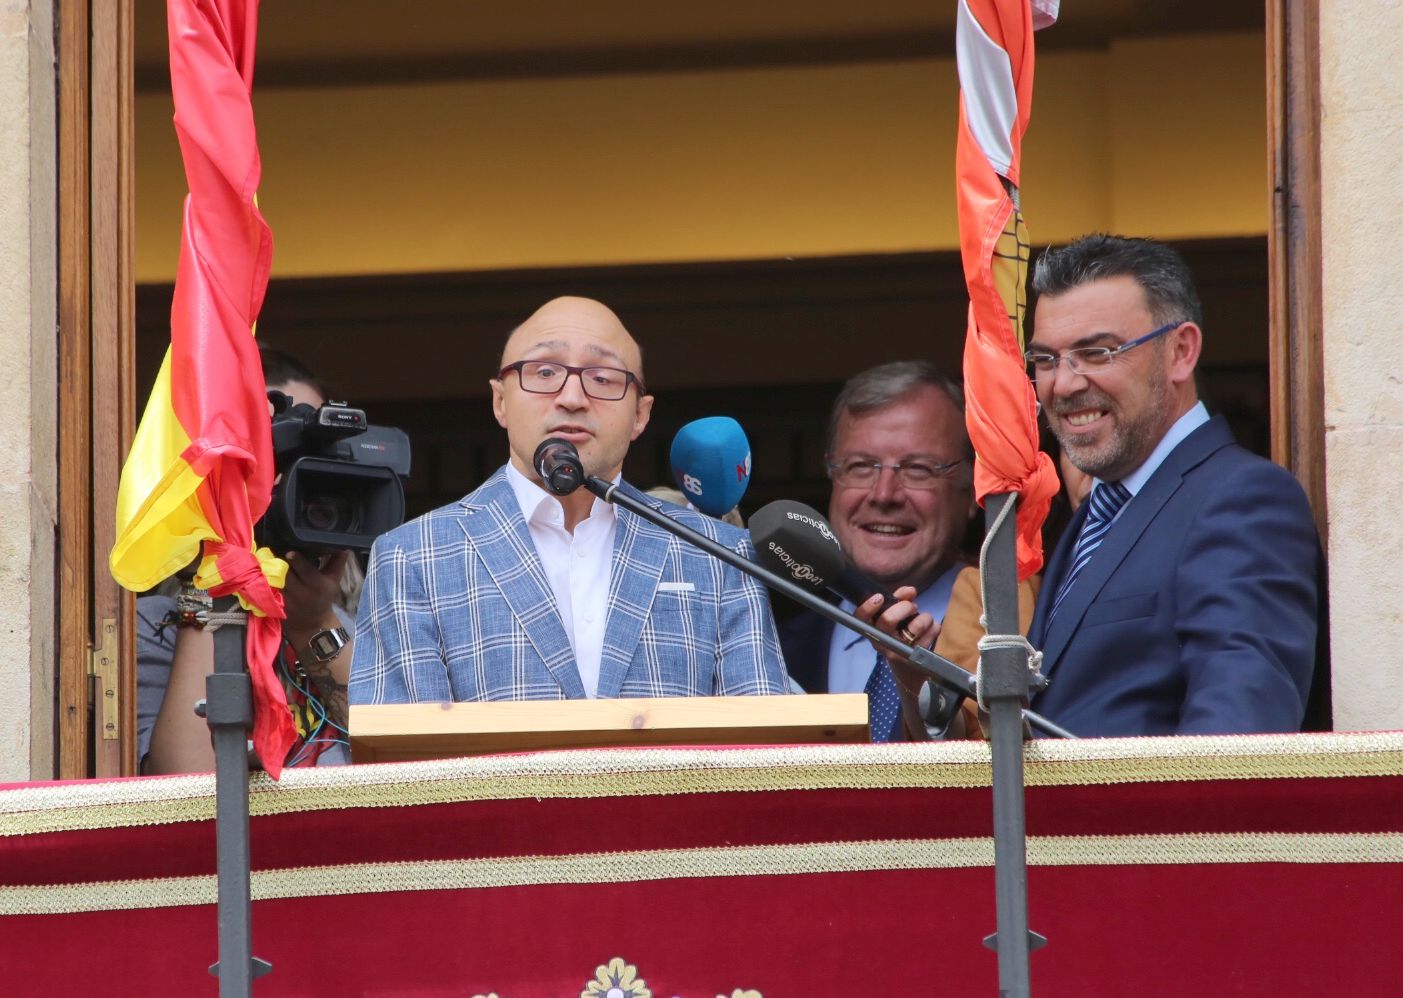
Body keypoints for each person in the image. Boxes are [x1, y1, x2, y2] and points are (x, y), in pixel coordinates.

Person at [865, 234, 1321, 737]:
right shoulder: (1099, 513)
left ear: (1181, 352)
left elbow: (1238, 743)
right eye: (1045, 359)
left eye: (1098, 352)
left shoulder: (1243, 500)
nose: (1063, 384)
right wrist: (916, 674)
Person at [349, 296, 789, 704]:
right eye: (544, 373)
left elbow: (766, 752)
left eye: (602, 378)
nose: (573, 398)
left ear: (640, 414)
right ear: (500, 401)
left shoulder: (719, 555)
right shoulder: (414, 557)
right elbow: (401, 766)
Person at [138, 347, 360, 772]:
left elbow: (397, 765)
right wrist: (218, 575)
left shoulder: (358, 626)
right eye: (266, 449)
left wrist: (313, 624)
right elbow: (185, 787)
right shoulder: (153, 627)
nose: (283, 478)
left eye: (309, 452)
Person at [776, 361, 978, 739]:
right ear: (832, 476)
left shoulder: (1015, 629)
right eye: (861, 467)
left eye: (918, 469)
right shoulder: (774, 646)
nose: (884, 495)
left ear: (972, 488)